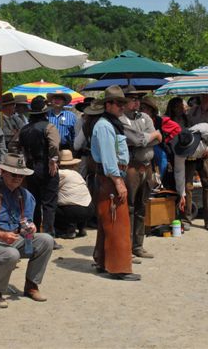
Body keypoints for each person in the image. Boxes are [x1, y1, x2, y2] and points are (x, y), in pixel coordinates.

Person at [0, 153, 54, 308]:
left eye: (21, 175)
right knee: (11, 254)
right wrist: (2, 235)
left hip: (12, 239)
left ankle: (31, 286)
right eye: (14, 174)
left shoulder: (26, 196)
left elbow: (25, 223)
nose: (17, 178)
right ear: (2, 173)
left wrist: (29, 228)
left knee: (46, 240)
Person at [91, 85, 139, 281]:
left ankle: (103, 262)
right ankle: (119, 267)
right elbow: (109, 158)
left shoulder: (110, 124)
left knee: (108, 223)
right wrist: (118, 182)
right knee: (117, 223)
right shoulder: (104, 126)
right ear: (108, 104)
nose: (121, 107)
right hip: (110, 178)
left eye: (122, 103)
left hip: (108, 178)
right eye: (118, 103)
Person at [121, 87, 161, 258]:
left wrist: (145, 139)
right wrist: (148, 137)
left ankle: (138, 245)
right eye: (132, 99)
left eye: (138, 99)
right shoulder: (121, 119)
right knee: (129, 207)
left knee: (142, 206)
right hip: (131, 166)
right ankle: (127, 247)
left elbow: (159, 138)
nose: (136, 102)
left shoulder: (145, 117)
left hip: (147, 165)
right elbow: (134, 139)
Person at [18, 96, 62, 249]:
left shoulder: (24, 129)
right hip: (46, 166)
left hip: (30, 168)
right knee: (49, 203)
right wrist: (53, 160)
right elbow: (54, 145)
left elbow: (15, 146)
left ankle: (34, 235)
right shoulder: (49, 127)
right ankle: (49, 237)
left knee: (33, 203)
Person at [173, 122, 208, 231]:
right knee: (187, 186)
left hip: (204, 155)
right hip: (189, 161)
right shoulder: (179, 155)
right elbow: (179, 173)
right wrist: (181, 193)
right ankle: (186, 219)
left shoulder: (203, 129)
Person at [54, 150, 94, 239]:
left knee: (51, 207)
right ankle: (81, 228)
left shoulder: (60, 174)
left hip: (74, 211)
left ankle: (69, 230)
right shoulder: (77, 174)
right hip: (90, 208)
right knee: (77, 201)